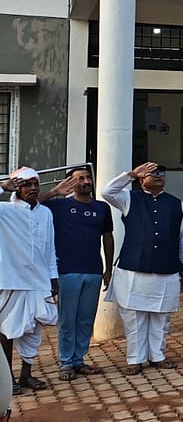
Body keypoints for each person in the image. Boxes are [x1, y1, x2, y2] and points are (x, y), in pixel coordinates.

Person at [100, 162, 183, 374]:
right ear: (141, 179)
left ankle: (157, 356)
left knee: (161, 318)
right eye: (151, 173)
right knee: (134, 318)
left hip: (166, 268)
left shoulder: (175, 203)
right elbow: (107, 191)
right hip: (133, 270)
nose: (157, 176)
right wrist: (131, 174)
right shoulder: (128, 198)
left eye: (161, 173)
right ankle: (135, 359)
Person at [40, 167, 113, 381]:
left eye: (88, 177)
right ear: (70, 183)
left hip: (93, 270)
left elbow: (108, 238)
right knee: (67, 319)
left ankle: (79, 360)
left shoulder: (102, 208)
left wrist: (108, 269)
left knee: (85, 319)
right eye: (80, 178)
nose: (86, 181)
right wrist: (55, 191)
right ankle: (66, 363)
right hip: (67, 270)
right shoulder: (58, 206)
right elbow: (30, 205)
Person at [0, 168, 58, 395]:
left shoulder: (46, 214)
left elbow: (50, 246)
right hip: (11, 280)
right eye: (26, 184)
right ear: (17, 187)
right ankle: (7, 379)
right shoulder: (5, 210)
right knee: (7, 331)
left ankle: (26, 374)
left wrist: (53, 275)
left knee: (33, 330)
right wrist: (2, 186)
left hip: (40, 280)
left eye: (35, 183)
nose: (32, 188)